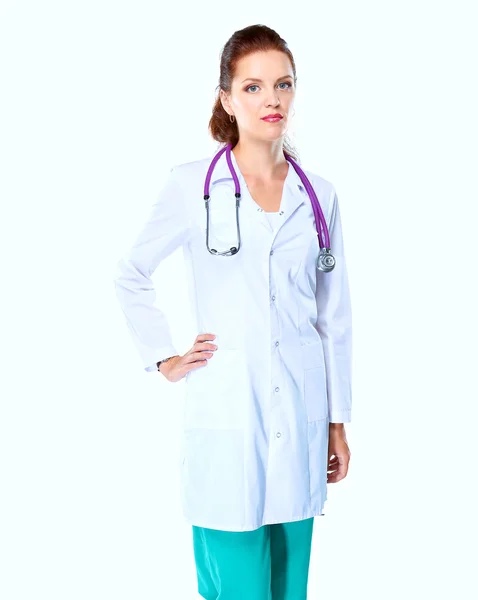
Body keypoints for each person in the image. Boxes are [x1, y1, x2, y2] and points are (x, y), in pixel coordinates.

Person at [114, 24, 352, 600]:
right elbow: (130, 274)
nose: (271, 99)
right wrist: (165, 358)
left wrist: (337, 422)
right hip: (227, 415)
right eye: (253, 87)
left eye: (282, 85)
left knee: (288, 588)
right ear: (226, 97)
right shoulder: (191, 185)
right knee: (237, 587)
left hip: (300, 416)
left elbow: (334, 318)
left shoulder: (317, 196)